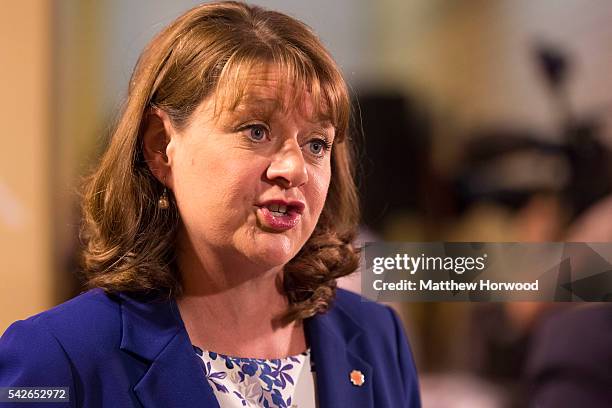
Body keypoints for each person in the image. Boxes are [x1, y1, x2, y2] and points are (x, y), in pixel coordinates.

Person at [0, 2, 420, 407]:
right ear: (161, 146)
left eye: (316, 144)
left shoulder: (376, 337)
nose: (295, 169)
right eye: (256, 131)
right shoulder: (57, 356)